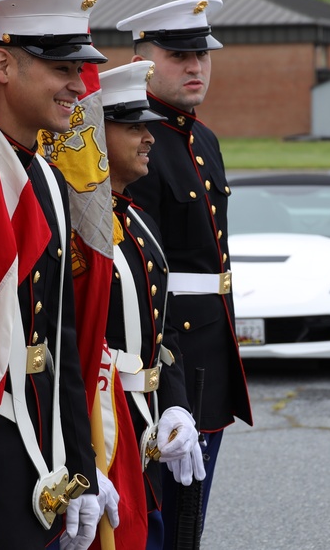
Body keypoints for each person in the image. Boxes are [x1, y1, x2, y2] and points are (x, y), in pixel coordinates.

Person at [0, 0, 113, 550]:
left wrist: (79, 468)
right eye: (62, 68)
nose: (80, 88)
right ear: (3, 64)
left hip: (44, 451)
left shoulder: (49, 178)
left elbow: (60, 340)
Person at [118, 0, 252, 546]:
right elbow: (148, 279)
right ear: (143, 57)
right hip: (170, 360)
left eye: (202, 54)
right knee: (163, 521)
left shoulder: (203, 139)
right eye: (178, 55)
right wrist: (170, 385)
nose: (196, 66)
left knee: (190, 521)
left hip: (210, 358)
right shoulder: (134, 141)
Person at [100, 61, 204, 548]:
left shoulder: (137, 220)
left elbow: (165, 330)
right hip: (107, 433)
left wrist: (177, 406)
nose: (148, 139)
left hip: (148, 428)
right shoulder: (83, 232)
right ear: (95, 135)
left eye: (147, 126)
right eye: (133, 127)